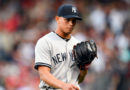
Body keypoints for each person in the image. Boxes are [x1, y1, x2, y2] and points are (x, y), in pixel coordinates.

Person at [34, 4, 89, 90]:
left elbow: (79, 80)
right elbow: (44, 74)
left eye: (74, 21)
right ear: (57, 19)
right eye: (67, 20)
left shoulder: (78, 44)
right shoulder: (45, 42)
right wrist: (64, 85)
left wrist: (84, 69)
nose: (71, 23)